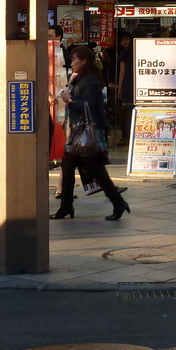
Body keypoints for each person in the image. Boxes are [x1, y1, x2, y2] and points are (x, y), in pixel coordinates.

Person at [51, 46, 129, 221]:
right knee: (68, 168)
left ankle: (118, 203)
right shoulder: (79, 79)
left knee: (98, 173)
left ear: (84, 60)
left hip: (87, 135)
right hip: (76, 134)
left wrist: (70, 99)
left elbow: (90, 105)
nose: (71, 63)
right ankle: (66, 206)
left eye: (74, 60)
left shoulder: (91, 81)